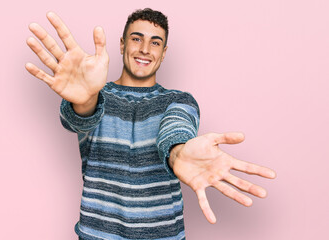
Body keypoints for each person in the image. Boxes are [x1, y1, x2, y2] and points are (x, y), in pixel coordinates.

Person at [25, 8, 276, 240]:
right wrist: (85, 99)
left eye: (155, 42)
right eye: (136, 38)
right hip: (97, 234)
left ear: (163, 53)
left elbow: (176, 128)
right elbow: (77, 118)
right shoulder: (94, 95)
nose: (145, 49)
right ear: (122, 44)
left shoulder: (178, 100)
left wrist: (178, 153)